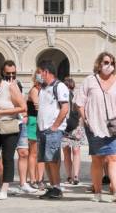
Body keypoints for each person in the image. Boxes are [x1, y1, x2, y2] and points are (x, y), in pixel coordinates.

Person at [76, 52, 116, 202]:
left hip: (114, 125)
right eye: (106, 62)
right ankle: (98, 192)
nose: (109, 66)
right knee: (97, 159)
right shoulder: (89, 80)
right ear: (99, 64)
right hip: (94, 125)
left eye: (112, 63)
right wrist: (85, 118)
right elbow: (79, 102)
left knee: (114, 157)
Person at [0, 69, 27, 200]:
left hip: (9, 126)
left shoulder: (10, 87)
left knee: (7, 158)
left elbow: (23, 107)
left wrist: (1, 112)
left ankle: (4, 189)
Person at [0, 61, 37, 194]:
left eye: (13, 73)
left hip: (20, 122)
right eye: (8, 73)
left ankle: (23, 183)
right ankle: (2, 185)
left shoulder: (18, 83)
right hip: (7, 122)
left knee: (24, 152)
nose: (11, 75)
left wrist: (25, 115)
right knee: (5, 155)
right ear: (3, 72)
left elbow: (22, 102)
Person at [36, 60, 70, 199]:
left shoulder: (59, 86)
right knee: (47, 160)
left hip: (53, 130)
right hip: (43, 129)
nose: (38, 75)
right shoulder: (43, 88)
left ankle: (57, 188)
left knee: (53, 160)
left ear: (46, 71)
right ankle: (52, 187)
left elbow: (65, 108)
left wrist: (55, 126)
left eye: (39, 72)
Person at [61, 77, 87, 186]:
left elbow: (81, 110)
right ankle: (69, 176)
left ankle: (75, 176)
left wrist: (81, 123)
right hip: (63, 127)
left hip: (75, 127)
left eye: (71, 87)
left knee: (76, 150)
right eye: (67, 87)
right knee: (66, 151)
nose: (69, 89)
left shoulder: (76, 96)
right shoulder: (60, 98)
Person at [26, 72, 45, 190]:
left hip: (41, 121)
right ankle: (33, 179)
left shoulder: (43, 90)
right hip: (33, 121)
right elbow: (38, 106)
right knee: (33, 152)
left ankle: (40, 178)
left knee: (41, 153)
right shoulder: (34, 90)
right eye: (39, 78)